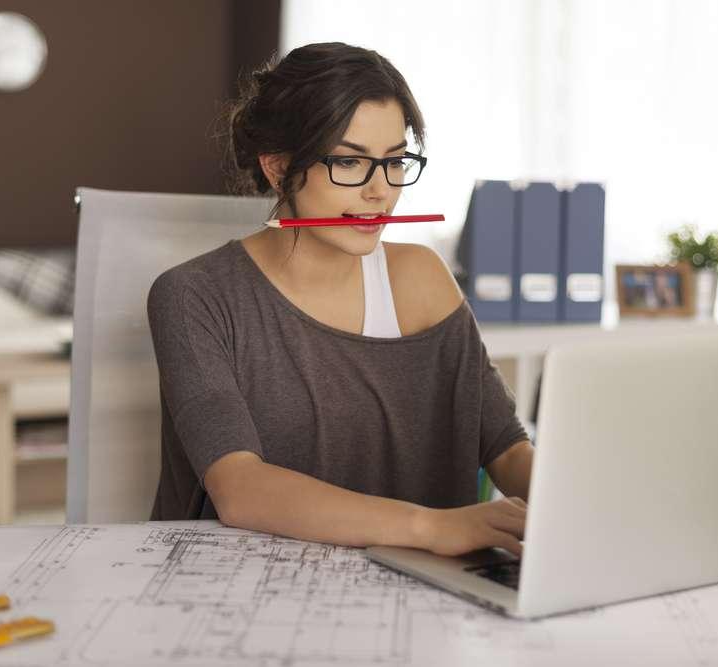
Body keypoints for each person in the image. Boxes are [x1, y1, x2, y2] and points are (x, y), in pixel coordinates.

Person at [147, 42, 534, 557]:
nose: (380, 191)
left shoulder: (422, 279)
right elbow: (240, 488)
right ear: (278, 168)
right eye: (350, 162)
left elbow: (507, 447)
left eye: (394, 162)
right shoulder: (194, 295)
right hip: (240, 584)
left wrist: (584, 504)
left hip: (422, 588)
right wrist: (433, 527)